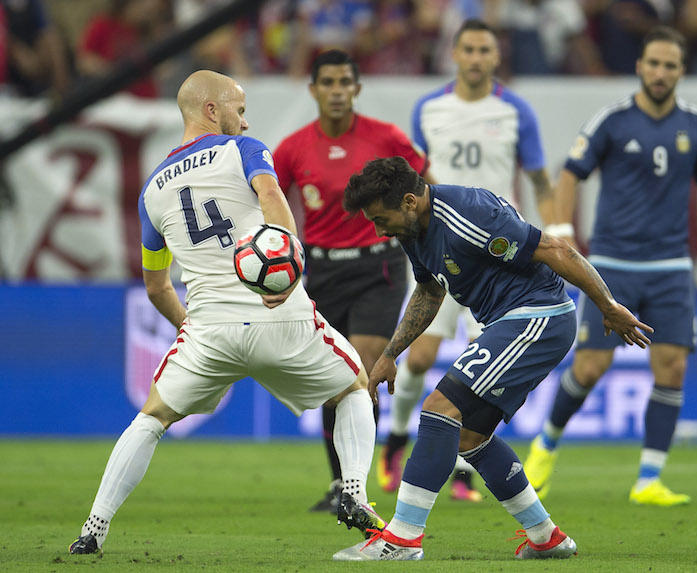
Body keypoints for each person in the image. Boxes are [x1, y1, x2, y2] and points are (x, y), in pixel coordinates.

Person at [68, 70, 382, 555]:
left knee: (151, 418)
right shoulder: (245, 150)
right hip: (280, 315)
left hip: (209, 331)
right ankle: (354, 493)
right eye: (238, 107)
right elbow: (273, 196)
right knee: (354, 386)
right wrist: (289, 269)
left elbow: (156, 285)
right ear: (211, 110)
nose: (245, 117)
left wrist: (191, 328)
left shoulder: (151, 190)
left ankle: (93, 529)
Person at [332, 155, 653, 560]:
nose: (379, 231)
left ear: (410, 201)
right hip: (509, 322)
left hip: (538, 316)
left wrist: (607, 305)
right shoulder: (413, 230)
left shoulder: (472, 214)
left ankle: (402, 539)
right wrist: (390, 354)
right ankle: (545, 538)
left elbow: (554, 248)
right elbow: (431, 291)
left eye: (381, 219)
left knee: (439, 407)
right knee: (469, 436)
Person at [523, 25, 697, 506]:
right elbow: (571, 175)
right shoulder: (612, 121)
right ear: (640, 67)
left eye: (670, 65)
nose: (660, 73)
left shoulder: (696, 126)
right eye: (653, 63)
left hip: (671, 266)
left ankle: (649, 480)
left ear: (682, 71)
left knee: (672, 367)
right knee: (592, 366)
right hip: (613, 264)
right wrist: (561, 233)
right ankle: (546, 447)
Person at [376, 17, 560, 502]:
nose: (477, 58)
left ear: (496, 57)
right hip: (442, 248)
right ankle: (396, 440)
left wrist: (557, 229)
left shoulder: (516, 110)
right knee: (421, 357)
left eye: (486, 50)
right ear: (454, 55)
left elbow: (541, 180)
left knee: (477, 367)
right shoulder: (429, 109)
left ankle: (457, 467)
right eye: (469, 50)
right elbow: (418, 179)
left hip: (497, 256)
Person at [272, 49, 433, 514]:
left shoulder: (386, 138)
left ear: (357, 89)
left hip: (376, 267)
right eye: (328, 82)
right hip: (319, 272)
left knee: (359, 373)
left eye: (346, 82)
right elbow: (266, 199)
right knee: (330, 383)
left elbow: (424, 187)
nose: (337, 91)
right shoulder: (293, 147)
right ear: (314, 90)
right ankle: (340, 481)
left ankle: (355, 487)